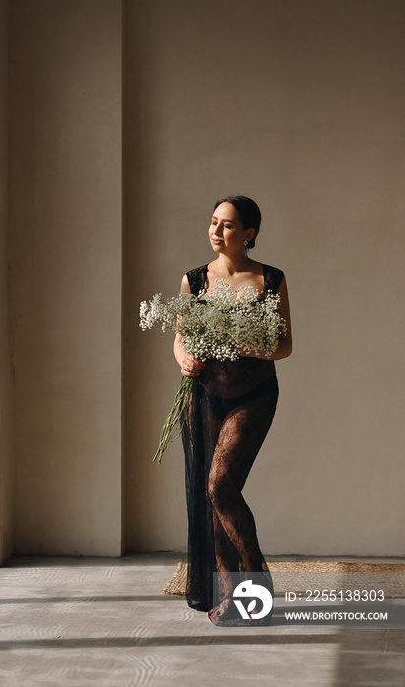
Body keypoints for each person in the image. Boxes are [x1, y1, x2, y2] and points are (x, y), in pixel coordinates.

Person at [173, 196, 292, 625]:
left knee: (221, 485)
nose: (216, 231)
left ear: (249, 234)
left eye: (226, 225)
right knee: (211, 494)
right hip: (203, 396)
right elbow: (181, 337)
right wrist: (184, 359)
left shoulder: (270, 279)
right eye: (213, 222)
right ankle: (232, 594)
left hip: (253, 396)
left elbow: (285, 345)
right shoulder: (194, 280)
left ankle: (257, 582)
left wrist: (246, 345)